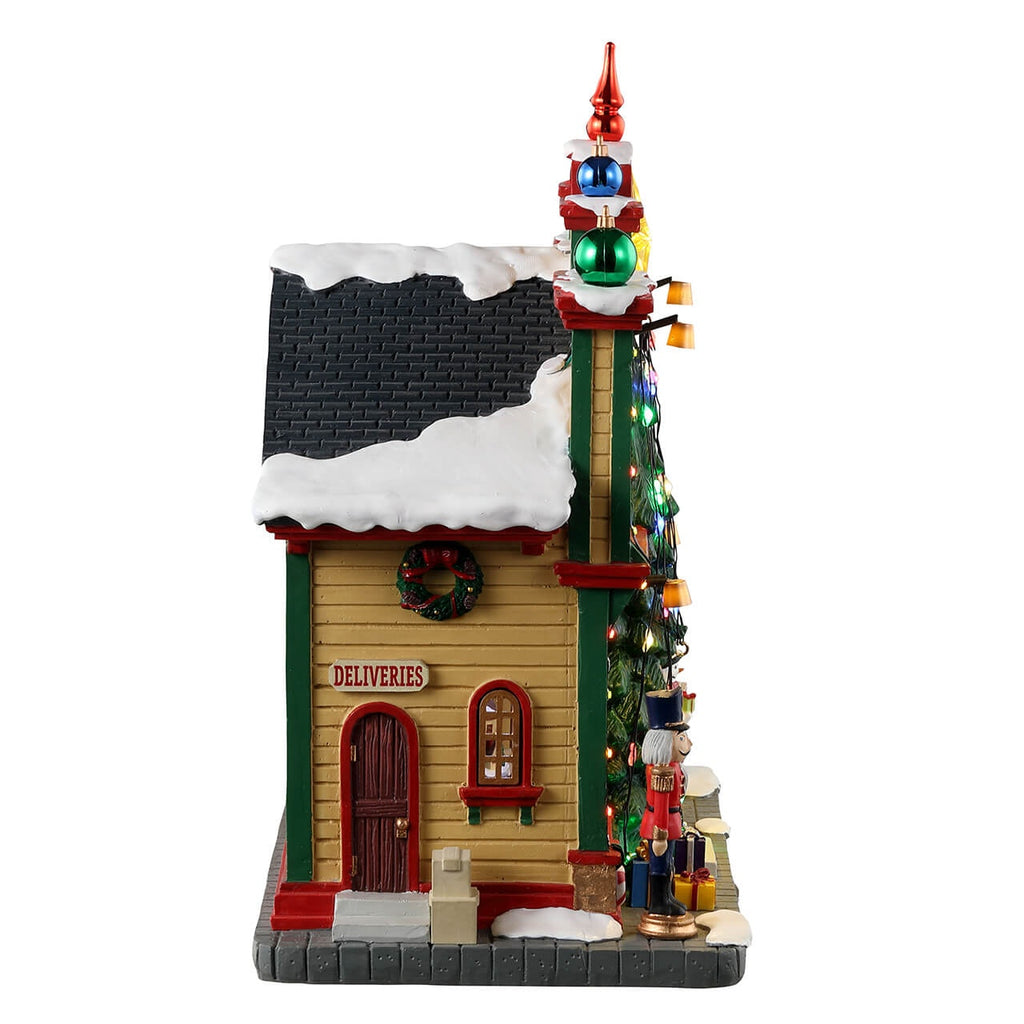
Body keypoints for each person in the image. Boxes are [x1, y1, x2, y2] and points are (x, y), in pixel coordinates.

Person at [637, 687, 698, 938]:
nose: (688, 743)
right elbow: (661, 804)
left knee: (668, 862)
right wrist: (660, 834)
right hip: (661, 825)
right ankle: (659, 902)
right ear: (666, 741)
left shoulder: (672, 766)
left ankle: (666, 897)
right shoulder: (661, 771)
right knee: (660, 863)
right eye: (681, 738)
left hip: (670, 823)